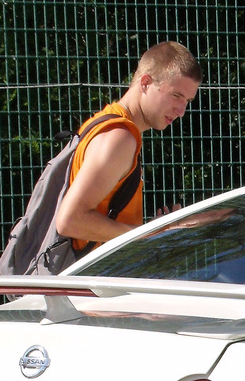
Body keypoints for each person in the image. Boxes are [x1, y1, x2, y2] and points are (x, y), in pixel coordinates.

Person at [53, 41, 203, 253]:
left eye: (187, 100)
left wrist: (155, 229)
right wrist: (150, 235)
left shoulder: (106, 122)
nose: (181, 111)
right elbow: (70, 221)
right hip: (91, 281)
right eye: (176, 95)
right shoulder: (119, 137)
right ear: (145, 83)